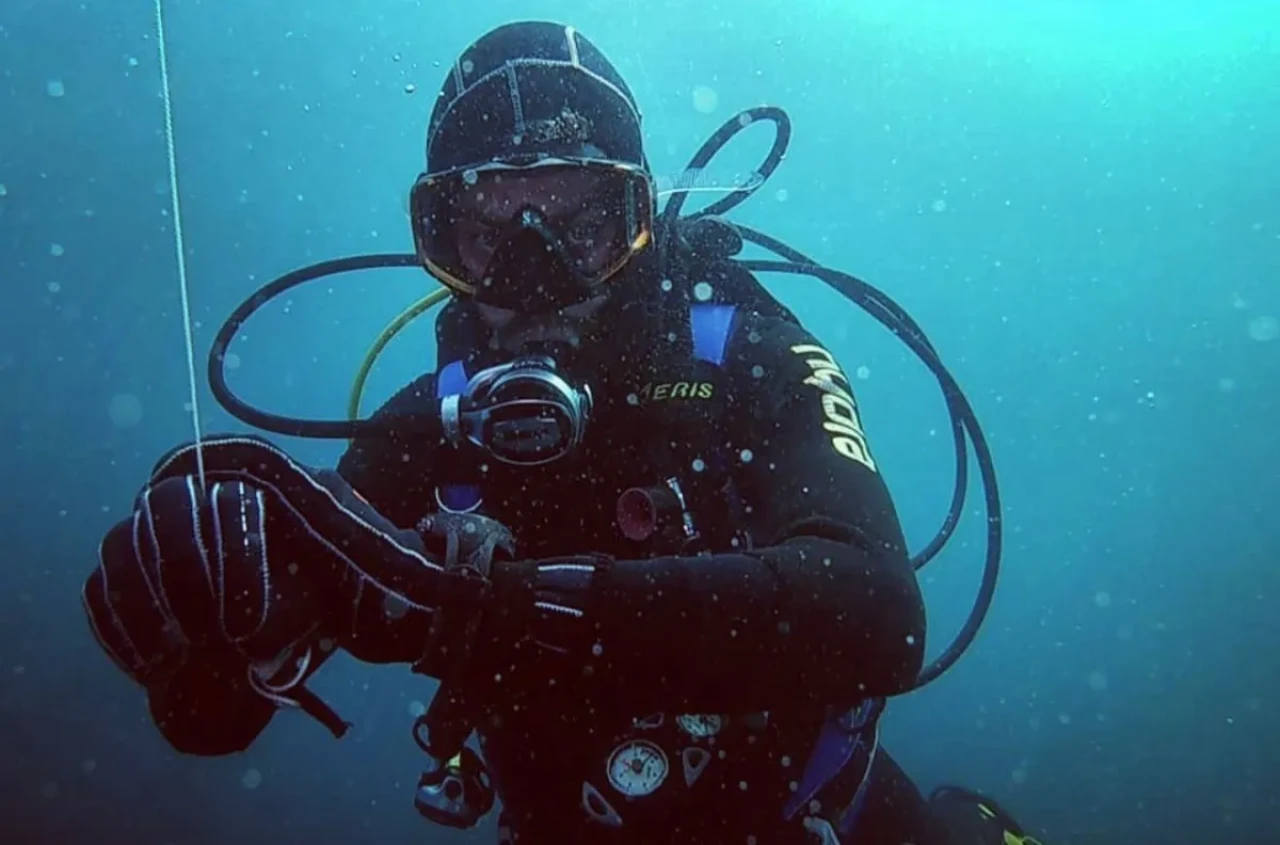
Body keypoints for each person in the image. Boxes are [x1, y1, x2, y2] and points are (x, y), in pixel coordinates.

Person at [82, 20, 1045, 845]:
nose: (533, 276)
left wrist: (507, 610)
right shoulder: (430, 426)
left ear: (639, 222)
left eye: (580, 226)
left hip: (821, 818)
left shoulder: (750, 359)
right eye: (489, 233)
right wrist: (203, 613)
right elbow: (210, 719)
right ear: (442, 243)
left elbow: (878, 616)